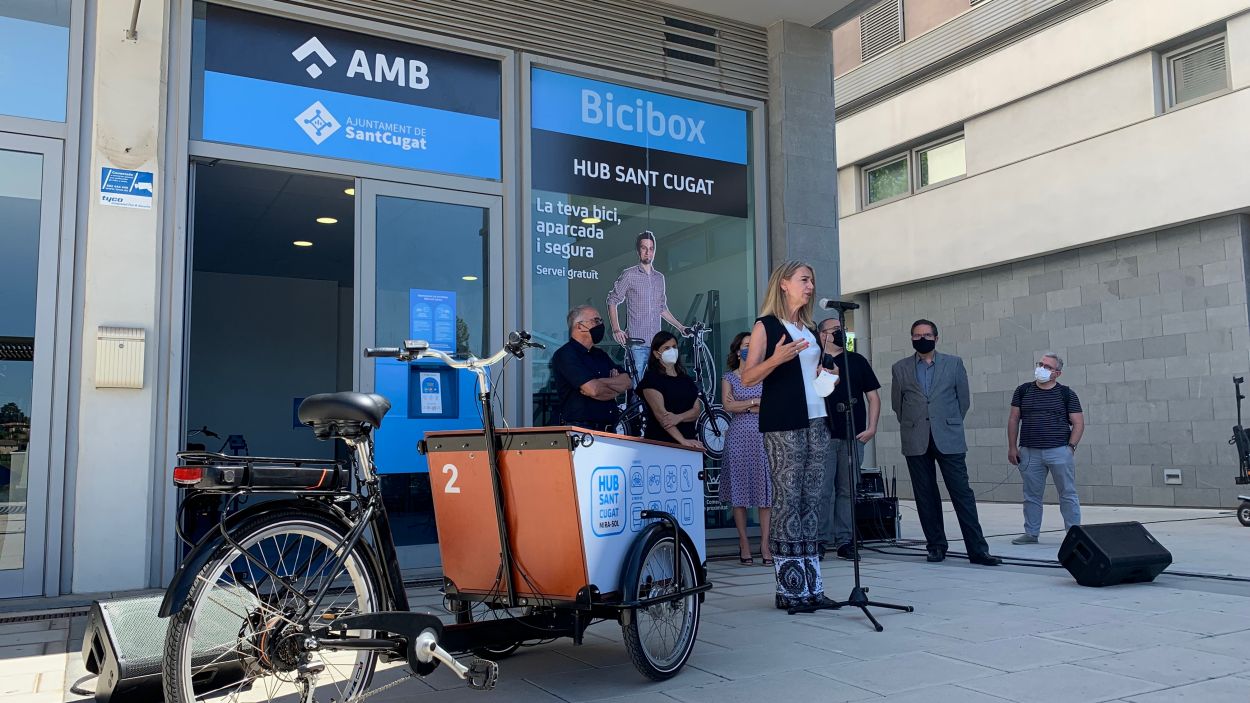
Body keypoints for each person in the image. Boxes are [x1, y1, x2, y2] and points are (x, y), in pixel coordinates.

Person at [742, 260, 840, 609]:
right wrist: (778, 358)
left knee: (811, 501)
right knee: (787, 500)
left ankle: (813, 586)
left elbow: (813, 378)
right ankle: (790, 589)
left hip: (817, 420)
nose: (810, 285)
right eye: (804, 279)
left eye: (812, 280)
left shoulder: (810, 329)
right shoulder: (766, 326)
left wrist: (828, 373)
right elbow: (748, 378)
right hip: (784, 422)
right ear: (783, 284)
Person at [890, 319, 1001, 566]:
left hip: (948, 437)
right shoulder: (900, 368)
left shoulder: (954, 364)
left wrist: (946, 422)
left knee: (962, 493)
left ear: (936, 338)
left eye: (927, 334)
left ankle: (978, 550)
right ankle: (936, 546)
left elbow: (963, 401)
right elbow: (898, 405)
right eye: (917, 335)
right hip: (916, 438)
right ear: (911, 338)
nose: (922, 338)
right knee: (925, 495)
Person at [817, 314, 881, 561]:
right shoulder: (815, 361)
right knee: (822, 491)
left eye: (842, 328)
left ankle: (844, 541)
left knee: (847, 490)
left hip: (853, 434)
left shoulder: (857, 361)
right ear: (823, 334)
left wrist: (872, 427)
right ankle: (820, 540)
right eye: (834, 329)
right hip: (824, 435)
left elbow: (873, 397)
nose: (840, 332)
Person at [1007, 352, 1085, 544]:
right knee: (1031, 495)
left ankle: (1074, 534)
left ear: (1057, 373)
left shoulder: (1067, 393)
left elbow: (1078, 423)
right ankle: (1031, 533)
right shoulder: (1023, 390)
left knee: (1067, 493)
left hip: (1059, 451)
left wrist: (1070, 448)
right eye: (1040, 364)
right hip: (1029, 452)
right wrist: (1012, 447)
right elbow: (1014, 419)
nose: (1041, 368)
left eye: (1047, 366)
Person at [607, 231, 689, 384]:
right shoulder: (629, 275)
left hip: (656, 347)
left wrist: (680, 327)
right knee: (635, 388)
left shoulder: (659, 278)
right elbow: (612, 300)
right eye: (644, 248)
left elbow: (661, 308)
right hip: (636, 345)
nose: (647, 252)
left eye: (651, 248)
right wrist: (616, 329)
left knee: (656, 388)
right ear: (638, 250)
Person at [720, 332, 772, 566]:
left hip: (764, 436)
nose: (749, 349)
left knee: (765, 492)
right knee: (739, 493)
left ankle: (765, 543)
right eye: (745, 345)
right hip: (738, 437)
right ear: (737, 349)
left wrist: (746, 406)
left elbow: (772, 405)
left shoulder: (766, 375)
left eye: (753, 345)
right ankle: (743, 543)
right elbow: (728, 405)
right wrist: (754, 403)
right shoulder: (729, 377)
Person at [550, 305, 633, 430]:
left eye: (601, 321)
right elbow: (593, 390)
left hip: (610, 430)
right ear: (579, 326)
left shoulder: (600, 354)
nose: (600, 325)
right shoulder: (566, 354)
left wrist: (600, 381)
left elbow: (627, 382)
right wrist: (614, 388)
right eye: (596, 321)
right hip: (583, 433)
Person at [637, 331, 704, 450]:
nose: (672, 351)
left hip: (690, 442)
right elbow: (662, 416)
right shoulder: (651, 379)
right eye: (666, 348)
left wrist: (679, 417)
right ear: (656, 354)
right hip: (662, 445)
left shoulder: (686, 379)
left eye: (674, 347)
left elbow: (696, 410)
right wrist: (682, 441)